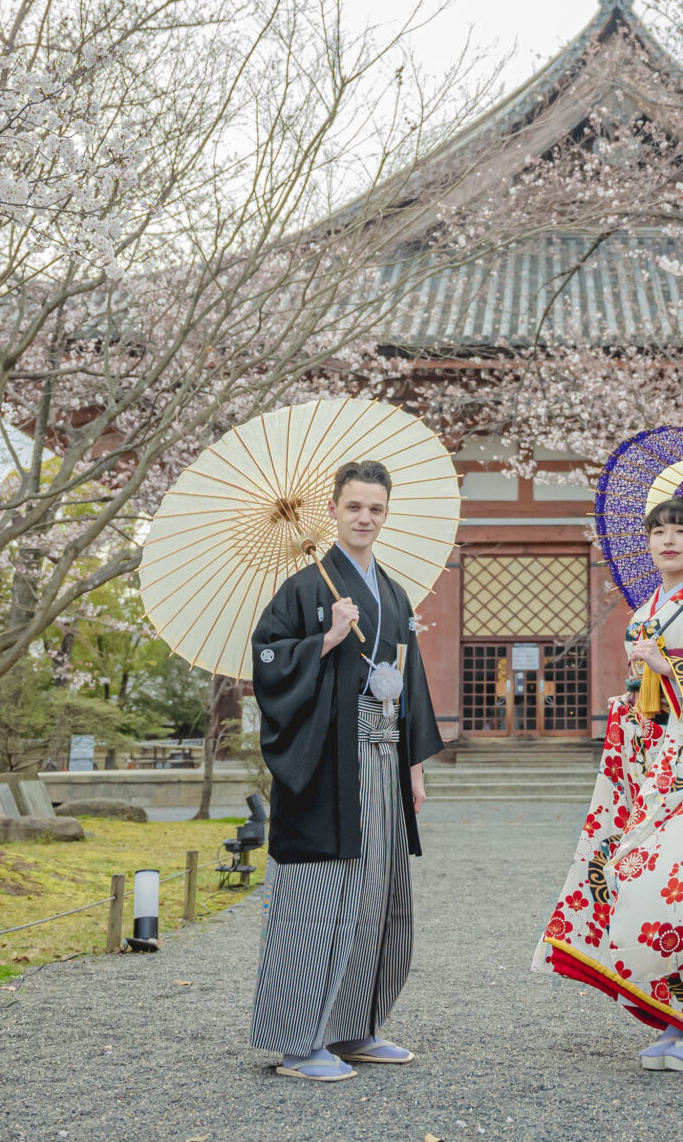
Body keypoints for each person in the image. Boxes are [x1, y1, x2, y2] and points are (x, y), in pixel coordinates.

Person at [246, 458, 443, 1082]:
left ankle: (356, 1026)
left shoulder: (394, 592)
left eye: (376, 509)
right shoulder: (305, 589)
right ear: (331, 510)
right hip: (329, 763)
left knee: (377, 890)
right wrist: (326, 639)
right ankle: (301, 1043)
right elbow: (268, 663)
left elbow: (409, 680)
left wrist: (413, 764)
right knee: (321, 893)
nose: (365, 518)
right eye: (354, 506)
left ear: (386, 515)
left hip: (384, 759)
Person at [534, 494, 683, 1071]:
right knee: (646, 886)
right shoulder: (649, 605)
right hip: (648, 764)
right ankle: (675, 1016)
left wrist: (666, 667)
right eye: (658, 531)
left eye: (681, 531)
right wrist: (628, 701)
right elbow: (642, 688)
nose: (668, 540)